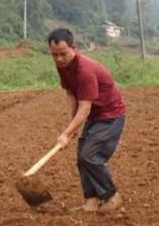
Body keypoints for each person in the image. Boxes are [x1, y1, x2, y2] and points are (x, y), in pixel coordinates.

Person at [48, 28, 126, 212]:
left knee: (89, 156)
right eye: (54, 55)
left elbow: (85, 107)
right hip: (95, 117)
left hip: (110, 115)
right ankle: (91, 201)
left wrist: (67, 133)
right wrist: (71, 126)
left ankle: (112, 196)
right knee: (81, 158)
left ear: (73, 48)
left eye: (63, 54)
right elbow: (71, 94)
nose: (59, 59)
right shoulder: (63, 66)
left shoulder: (85, 70)